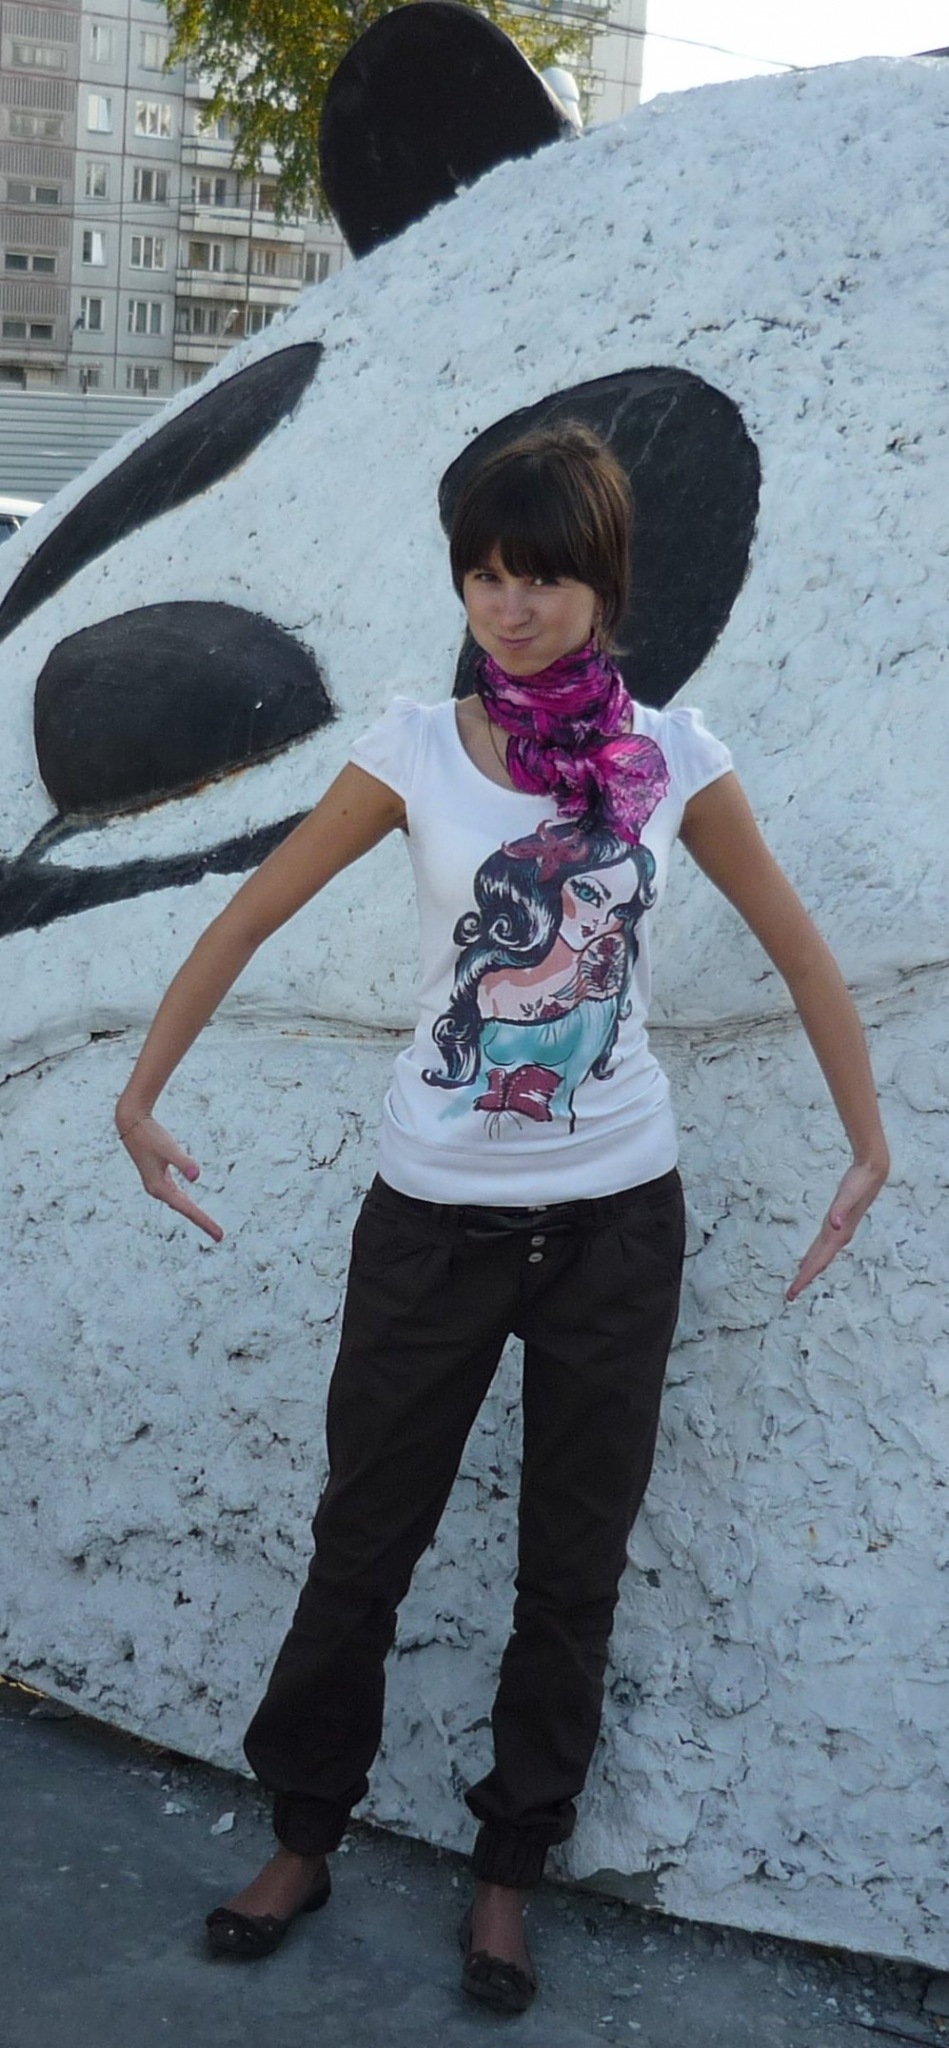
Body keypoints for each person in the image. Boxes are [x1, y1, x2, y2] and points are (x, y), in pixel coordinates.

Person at [116, 422, 888, 2014]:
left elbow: (802, 951)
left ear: (602, 584)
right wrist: (140, 1094)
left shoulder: (674, 759)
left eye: (539, 578)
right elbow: (249, 916)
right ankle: (303, 1835)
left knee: (570, 1569)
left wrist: (865, 1146)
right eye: (482, 576)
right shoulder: (412, 748)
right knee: (361, 1544)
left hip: (616, 1224)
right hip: (432, 1221)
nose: (508, 608)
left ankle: (507, 1872)